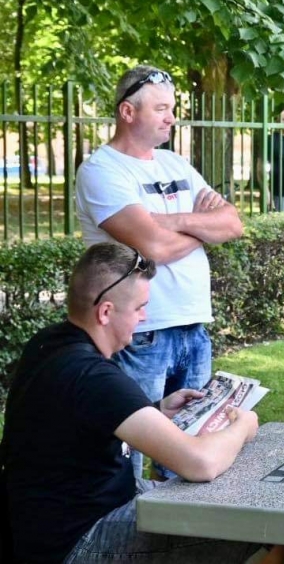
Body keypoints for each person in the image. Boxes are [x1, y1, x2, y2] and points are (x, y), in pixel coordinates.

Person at [0, 243, 284, 564]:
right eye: (139, 307)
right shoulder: (94, 377)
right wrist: (242, 426)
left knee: (238, 505)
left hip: (51, 523)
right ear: (105, 312)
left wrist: (158, 409)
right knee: (265, 525)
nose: (144, 316)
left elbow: (80, 423)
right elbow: (201, 463)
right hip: (77, 542)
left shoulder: (48, 344)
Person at [75, 65, 244, 479]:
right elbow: (152, 248)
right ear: (127, 112)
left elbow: (233, 223)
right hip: (139, 331)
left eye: (172, 108)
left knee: (193, 444)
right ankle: (129, 518)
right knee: (128, 454)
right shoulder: (102, 171)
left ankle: (179, 522)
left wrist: (172, 221)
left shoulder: (175, 164)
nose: (172, 118)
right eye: (162, 109)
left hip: (194, 326)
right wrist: (201, 230)